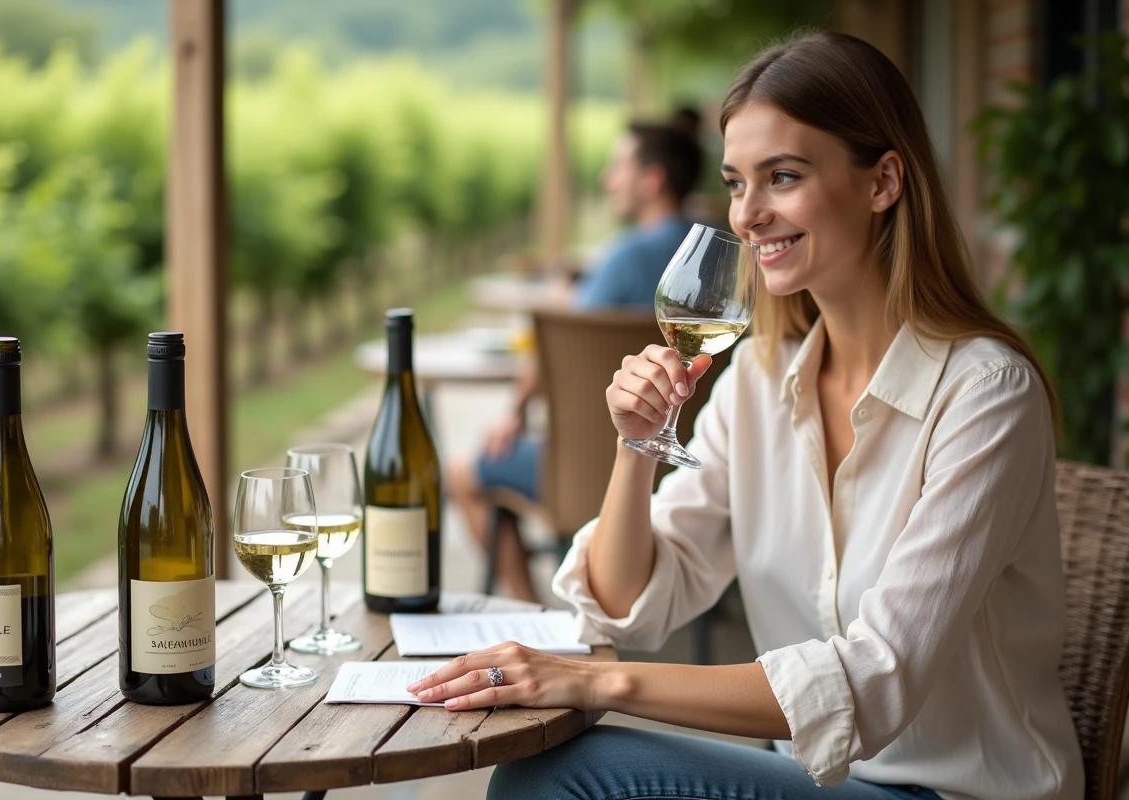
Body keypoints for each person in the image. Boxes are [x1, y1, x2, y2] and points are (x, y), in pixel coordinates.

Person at [410, 31, 1084, 800]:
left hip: (956, 793)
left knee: (564, 776)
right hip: (820, 781)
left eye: (783, 177)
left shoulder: (986, 393)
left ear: (883, 182)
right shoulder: (761, 380)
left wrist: (599, 684)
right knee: (546, 771)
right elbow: (632, 605)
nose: (750, 215)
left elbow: (874, 679)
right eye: (736, 183)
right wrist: (638, 448)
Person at [446, 121, 703, 603]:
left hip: (600, 469)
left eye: (618, 167)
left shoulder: (625, 256)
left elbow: (557, 350)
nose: (608, 180)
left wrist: (515, 411)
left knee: (462, 471)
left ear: (652, 180)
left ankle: (529, 609)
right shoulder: (711, 253)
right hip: (688, 468)